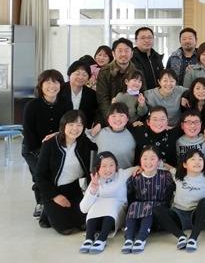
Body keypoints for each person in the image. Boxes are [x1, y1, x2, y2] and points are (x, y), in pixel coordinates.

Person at [35, 110, 97, 234]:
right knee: (65, 228)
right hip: (52, 189)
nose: (75, 128)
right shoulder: (50, 144)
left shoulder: (86, 144)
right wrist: (55, 196)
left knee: (84, 223)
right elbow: (39, 175)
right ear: (63, 125)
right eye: (71, 124)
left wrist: (91, 192)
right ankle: (47, 211)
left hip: (73, 188)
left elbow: (93, 161)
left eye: (79, 125)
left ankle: (51, 212)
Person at [22, 69, 68, 219]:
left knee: (53, 176)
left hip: (55, 147)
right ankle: (41, 203)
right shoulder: (32, 105)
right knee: (39, 175)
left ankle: (52, 202)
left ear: (60, 85)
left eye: (55, 82)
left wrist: (56, 136)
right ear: (41, 85)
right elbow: (28, 133)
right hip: (32, 148)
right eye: (47, 82)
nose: (51, 86)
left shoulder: (66, 104)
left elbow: (67, 127)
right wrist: (41, 151)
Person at [153, 149, 205, 252]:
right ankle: (181, 236)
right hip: (178, 215)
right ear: (185, 164)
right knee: (156, 210)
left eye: (200, 159)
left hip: (196, 215)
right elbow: (164, 166)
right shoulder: (178, 175)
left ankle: (193, 238)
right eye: (193, 159)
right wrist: (138, 167)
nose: (197, 162)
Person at [122, 145, 175, 254]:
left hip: (158, 216)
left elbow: (170, 193)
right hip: (139, 216)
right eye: (145, 158)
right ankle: (128, 239)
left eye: (152, 158)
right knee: (133, 205)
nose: (148, 162)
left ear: (159, 161)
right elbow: (129, 196)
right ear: (140, 161)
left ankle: (141, 239)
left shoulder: (166, 176)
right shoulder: (135, 177)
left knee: (149, 207)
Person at [79, 151, 135, 254]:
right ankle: (89, 238)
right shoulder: (95, 180)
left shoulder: (121, 174)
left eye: (111, 165)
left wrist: (139, 168)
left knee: (110, 202)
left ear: (116, 166)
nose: (108, 169)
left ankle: (102, 239)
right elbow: (83, 209)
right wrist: (93, 190)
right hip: (97, 218)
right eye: (103, 166)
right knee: (97, 203)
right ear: (97, 168)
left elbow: (139, 167)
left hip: (116, 216)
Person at [96, 37, 140, 121]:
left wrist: (134, 119)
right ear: (113, 53)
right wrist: (111, 118)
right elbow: (102, 99)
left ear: (131, 54)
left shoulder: (137, 72)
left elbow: (141, 96)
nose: (123, 54)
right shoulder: (105, 71)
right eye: (120, 51)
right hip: (109, 117)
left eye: (127, 51)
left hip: (131, 119)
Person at [87, 103, 137, 169]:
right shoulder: (101, 132)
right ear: (108, 119)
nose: (118, 119)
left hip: (127, 173)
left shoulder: (133, 133)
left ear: (127, 118)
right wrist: (96, 127)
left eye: (121, 115)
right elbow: (86, 135)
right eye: (113, 116)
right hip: (104, 173)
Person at [131, 26, 164, 91]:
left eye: (149, 37)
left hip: (157, 95)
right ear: (136, 41)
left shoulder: (157, 57)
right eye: (142, 38)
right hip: (139, 96)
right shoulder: (131, 58)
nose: (146, 40)